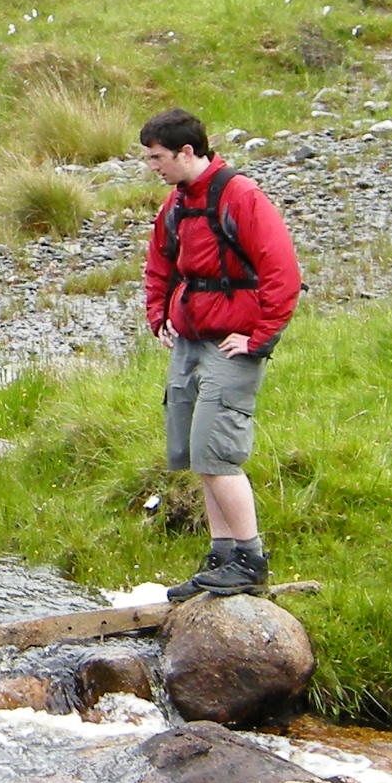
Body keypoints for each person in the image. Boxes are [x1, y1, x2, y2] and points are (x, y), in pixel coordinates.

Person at [138, 108, 303, 602]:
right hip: (190, 341)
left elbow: (283, 273)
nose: (152, 166)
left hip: (231, 344)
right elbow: (159, 263)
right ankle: (221, 557)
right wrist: (158, 316)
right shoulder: (177, 204)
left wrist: (258, 337)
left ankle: (249, 560)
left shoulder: (241, 196)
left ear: (187, 152)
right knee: (197, 453)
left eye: (157, 157)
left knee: (219, 454)